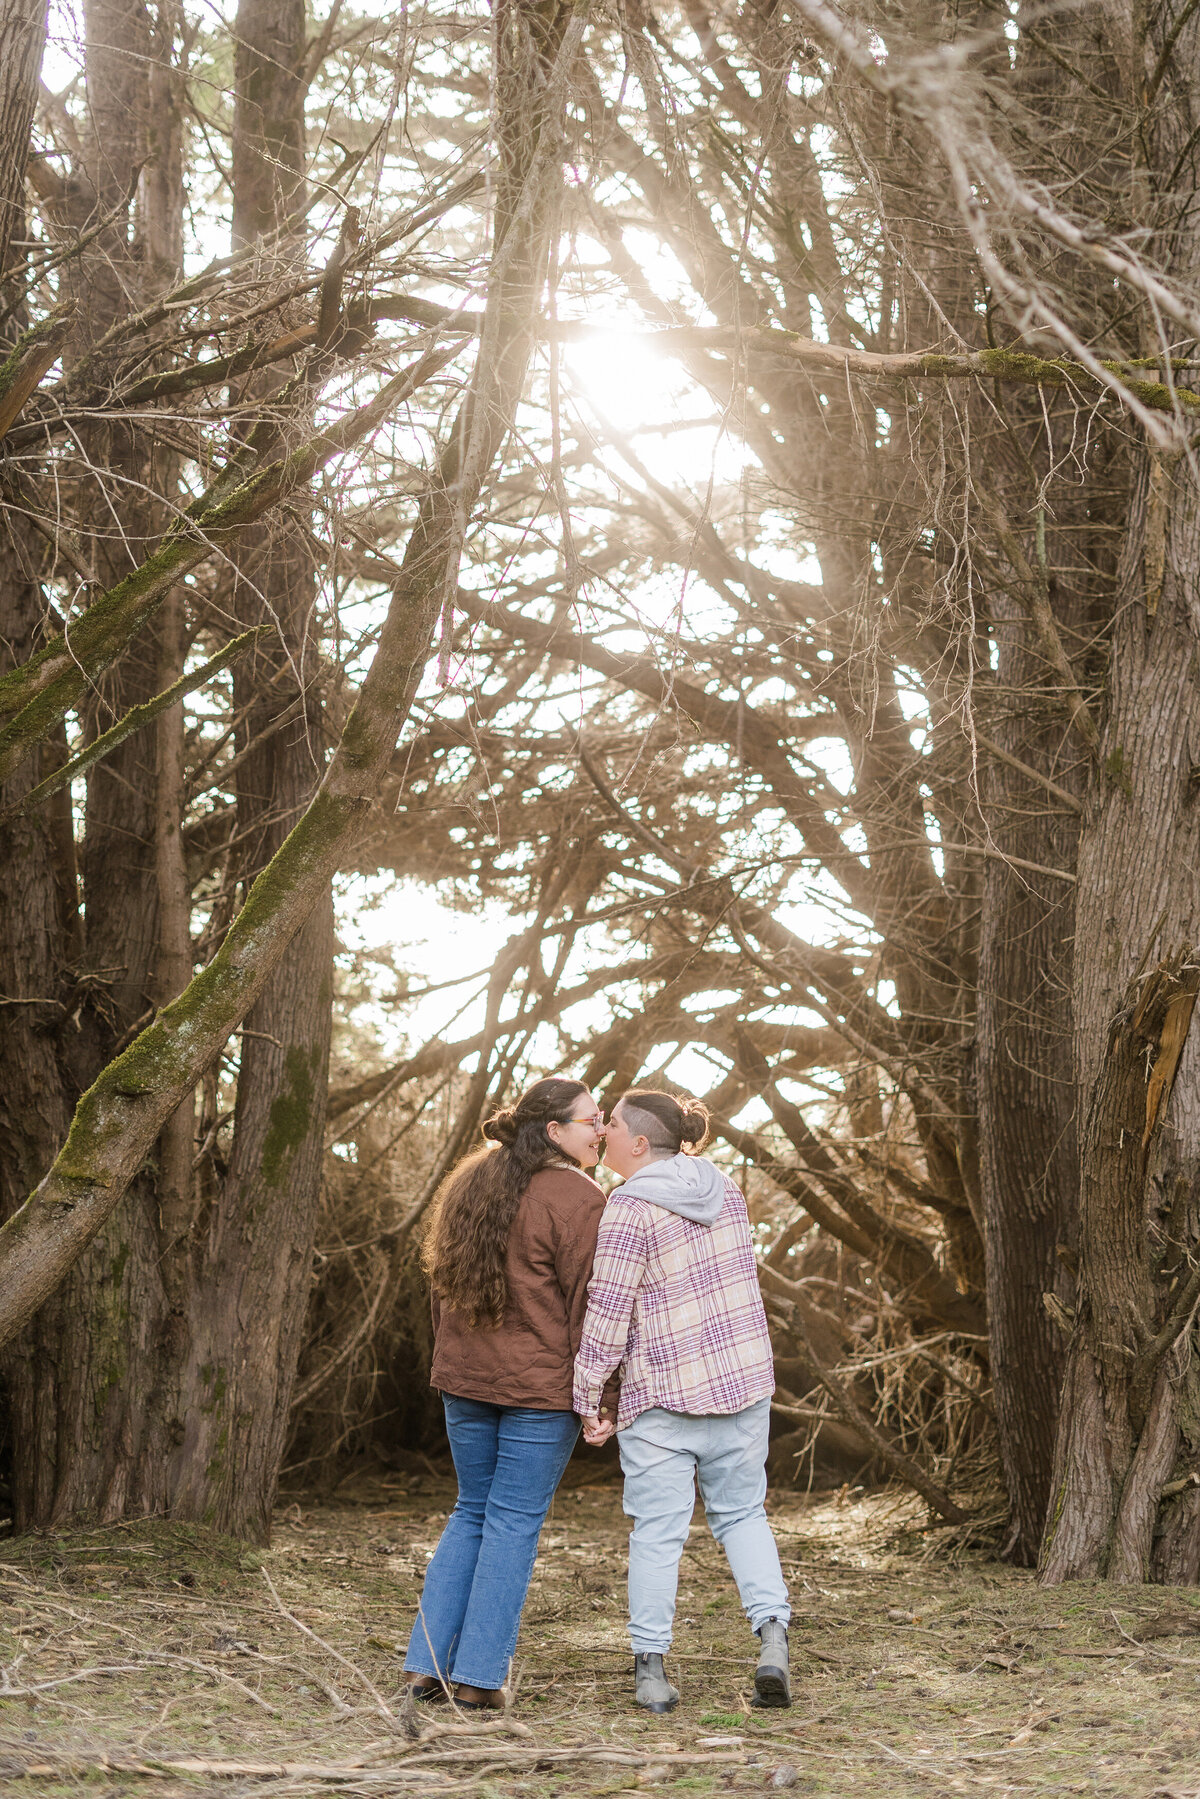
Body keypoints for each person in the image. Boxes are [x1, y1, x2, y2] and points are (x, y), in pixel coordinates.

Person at [573, 1088, 791, 1714]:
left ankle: (651, 1670)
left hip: (663, 1397)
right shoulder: (726, 1190)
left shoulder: (627, 1208)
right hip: (743, 1387)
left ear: (639, 1144)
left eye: (609, 1125)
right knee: (744, 1516)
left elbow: (609, 1313)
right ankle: (772, 1637)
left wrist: (589, 1393)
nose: (601, 1132)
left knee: (658, 1532)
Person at [402, 1076, 611, 1710]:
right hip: (539, 1391)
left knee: (472, 1512)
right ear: (555, 1132)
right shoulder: (577, 1196)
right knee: (512, 1522)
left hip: (465, 1382)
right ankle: (478, 1681)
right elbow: (589, 1308)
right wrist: (600, 1393)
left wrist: (450, 1364)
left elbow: (441, 1288)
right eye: (592, 1119)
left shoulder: (472, 1179)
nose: (602, 1129)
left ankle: (424, 1670)